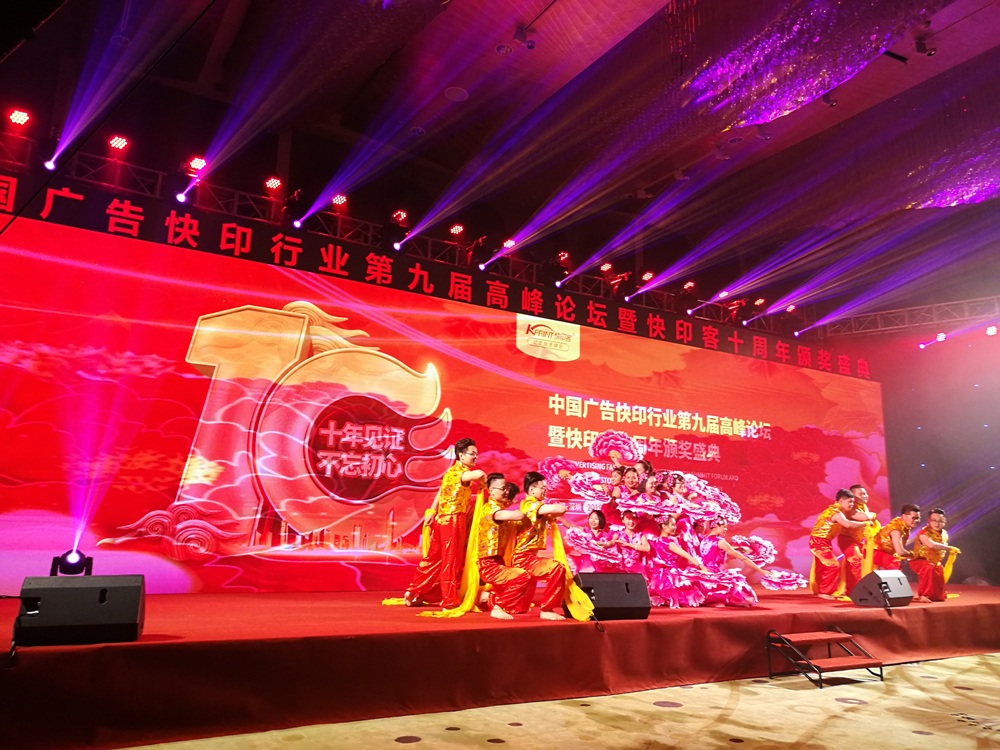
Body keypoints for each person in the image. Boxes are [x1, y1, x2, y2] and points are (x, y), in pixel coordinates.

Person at [404, 438, 486, 608]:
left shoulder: (450, 472)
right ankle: (449, 600)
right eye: (472, 454)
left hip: (442, 519)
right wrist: (485, 481)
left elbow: (440, 492)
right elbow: (479, 475)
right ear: (461, 455)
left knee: (433, 558)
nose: (475, 457)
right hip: (453, 520)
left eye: (476, 454)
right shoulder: (462, 473)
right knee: (451, 560)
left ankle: (414, 590)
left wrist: (432, 511)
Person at [511, 471, 570, 620]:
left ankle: (489, 600)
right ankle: (547, 609)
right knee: (557, 568)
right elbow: (560, 509)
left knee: (518, 607)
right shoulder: (531, 505)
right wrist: (560, 507)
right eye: (542, 488)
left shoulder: (534, 506)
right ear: (532, 490)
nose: (545, 490)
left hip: (529, 558)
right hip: (523, 558)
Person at [474, 475, 532, 620]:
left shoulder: (499, 508)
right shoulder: (492, 510)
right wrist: (531, 507)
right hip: (488, 564)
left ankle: (486, 598)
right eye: (502, 489)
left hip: (498, 562)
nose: (506, 492)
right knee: (522, 576)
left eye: (507, 488)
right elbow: (518, 516)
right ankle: (498, 607)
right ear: (491, 491)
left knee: (518, 605)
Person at [809, 489, 873, 599]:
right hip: (818, 542)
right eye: (850, 502)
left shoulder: (838, 511)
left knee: (823, 566)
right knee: (833, 565)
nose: (852, 504)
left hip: (823, 541)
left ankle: (821, 589)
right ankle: (824, 592)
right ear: (841, 501)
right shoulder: (835, 513)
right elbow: (848, 524)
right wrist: (865, 524)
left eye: (852, 502)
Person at [698, 518, 771, 607]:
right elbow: (743, 558)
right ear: (716, 526)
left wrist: (737, 548)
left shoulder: (704, 540)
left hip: (704, 574)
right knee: (743, 593)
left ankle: (712, 600)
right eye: (724, 527)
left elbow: (714, 550)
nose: (726, 529)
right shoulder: (720, 541)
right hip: (716, 574)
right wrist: (761, 571)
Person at [645, 515, 711, 608]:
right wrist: (700, 566)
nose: (675, 527)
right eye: (672, 525)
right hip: (670, 575)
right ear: (664, 526)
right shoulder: (668, 543)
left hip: (659, 576)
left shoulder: (658, 540)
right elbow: (686, 555)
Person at [910, 508, 959, 603]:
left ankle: (933, 595)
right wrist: (949, 548)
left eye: (940, 521)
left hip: (934, 562)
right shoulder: (924, 533)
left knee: (939, 591)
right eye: (934, 520)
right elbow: (931, 545)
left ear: (944, 522)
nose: (937, 524)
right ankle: (923, 595)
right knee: (929, 567)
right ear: (929, 521)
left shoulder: (944, 533)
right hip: (919, 560)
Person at [842, 484, 877, 590]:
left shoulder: (863, 507)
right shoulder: (851, 507)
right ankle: (857, 590)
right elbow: (864, 517)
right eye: (861, 494)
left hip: (858, 541)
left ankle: (853, 589)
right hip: (847, 539)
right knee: (856, 560)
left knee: (859, 563)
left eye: (865, 493)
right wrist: (873, 515)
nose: (864, 496)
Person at [872, 504, 921, 571]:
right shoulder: (896, 529)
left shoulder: (904, 526)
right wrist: (913, 554)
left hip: (886, 554)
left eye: (918, 518)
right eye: (914, 518)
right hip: (876, 553)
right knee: (897, 564)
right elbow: (900, 552)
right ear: (904, 516)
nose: (917, 521)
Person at [612, 510, 652, 575]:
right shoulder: (618, 535)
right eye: (628, 519)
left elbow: (647, 548)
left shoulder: (640, 535)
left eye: (633, 518)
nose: (631, 521)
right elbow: (611, 543)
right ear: (623, 520)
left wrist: (628, 544)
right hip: (621, 570)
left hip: (637, 571)